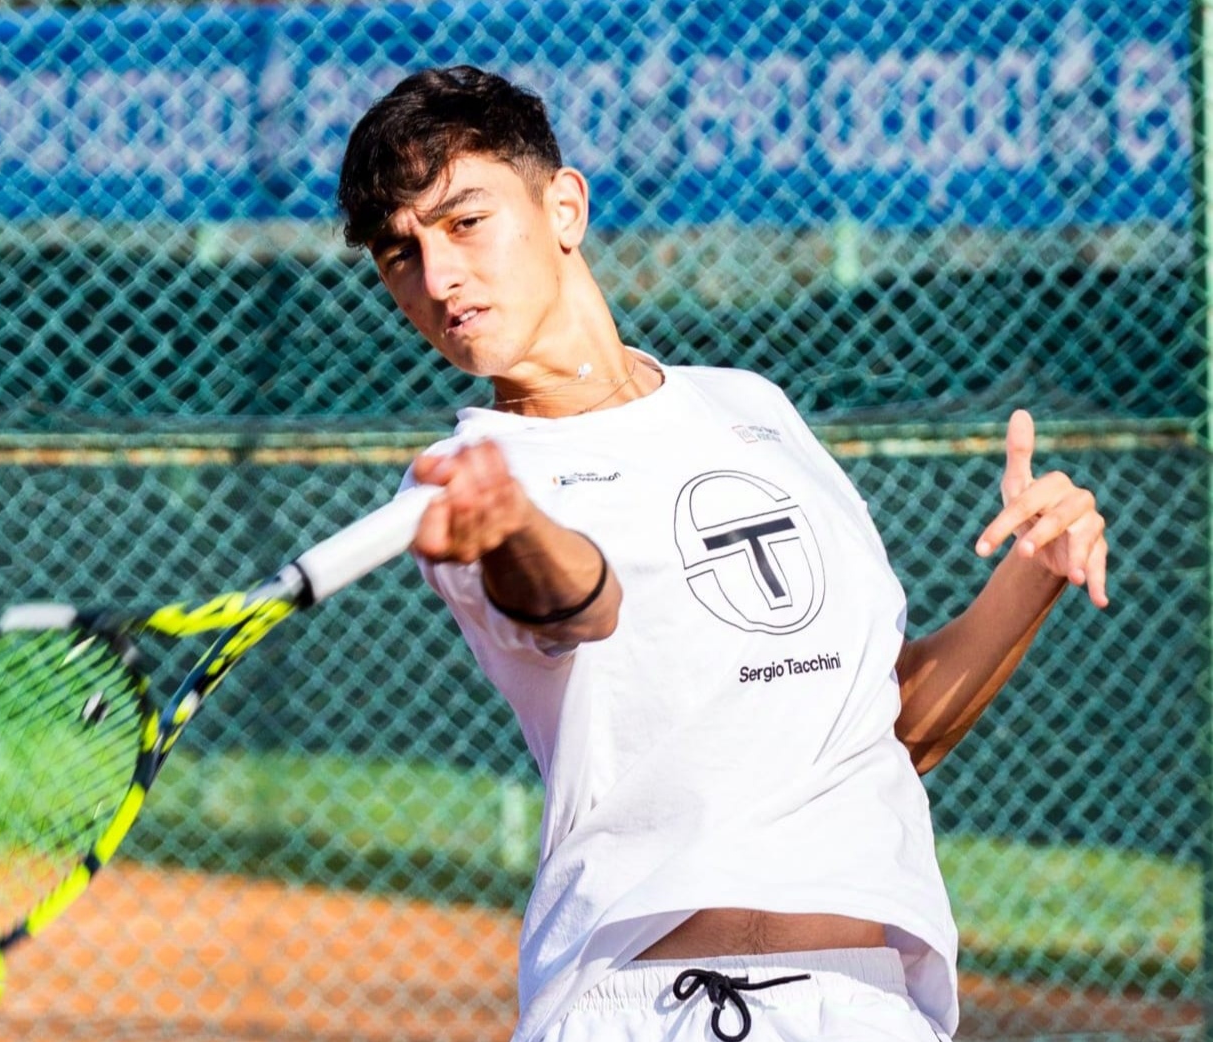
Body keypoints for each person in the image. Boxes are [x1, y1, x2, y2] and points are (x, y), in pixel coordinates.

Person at [335, 65, 1109, 1042]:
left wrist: (1032, 573)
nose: (437, 278)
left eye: (462, 222)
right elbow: (577, 602)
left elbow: (886, 729)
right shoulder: (460, 481)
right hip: (646, 1010)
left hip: (869, 1003)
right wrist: (516, 525)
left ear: (562, 206)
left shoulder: (747, 404)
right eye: (397, 253)